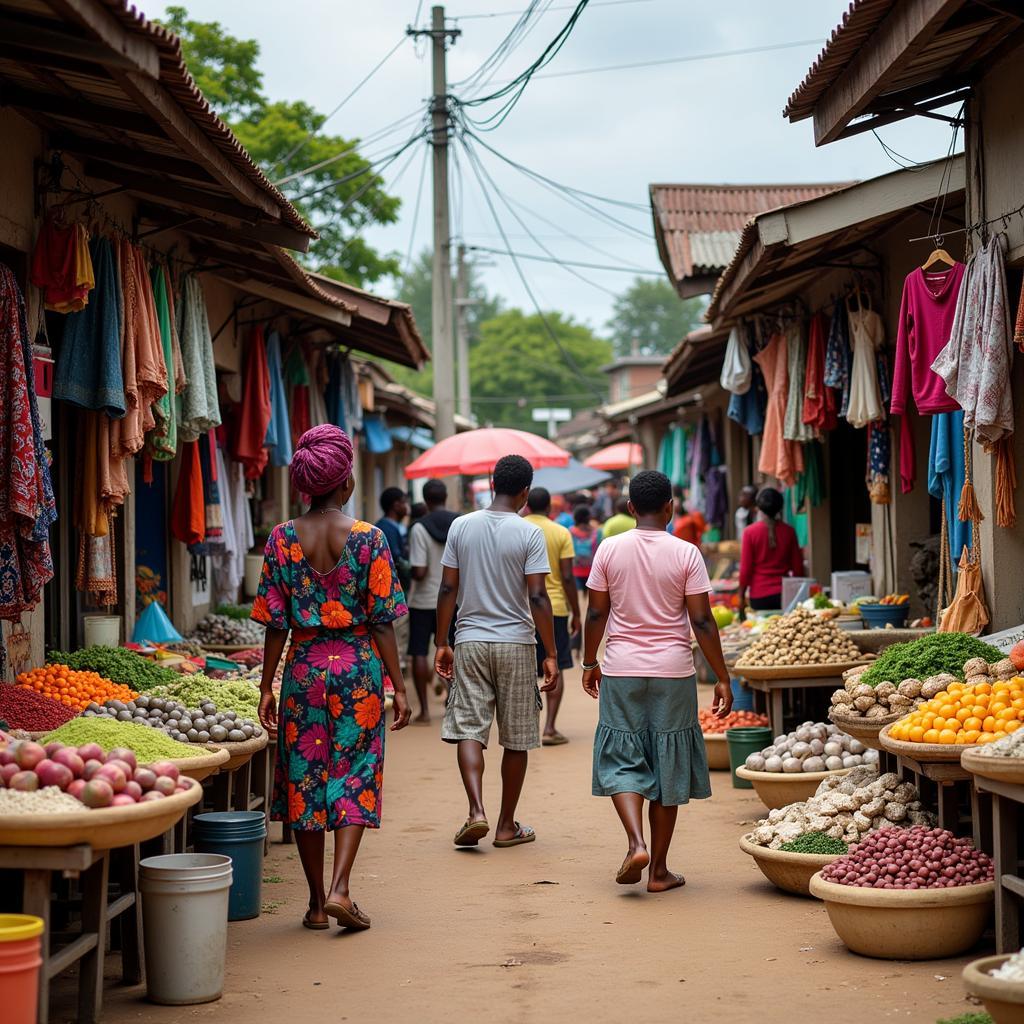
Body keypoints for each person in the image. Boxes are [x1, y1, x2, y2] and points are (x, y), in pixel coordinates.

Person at [254, 424, 411, 932]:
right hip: (358, 671)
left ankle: (318, 903)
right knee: (355, 772)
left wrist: (266, 686)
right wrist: (399, 686)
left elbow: (276, 622)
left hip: (303, 670)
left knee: (305, 781)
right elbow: (383, 621)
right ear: (345, 481)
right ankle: (343, 885)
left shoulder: (280, 539)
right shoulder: (370, 539)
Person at [581, 470, 732, 891]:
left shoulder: (609, 549)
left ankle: (634, 842)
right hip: (673, 671)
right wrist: (722, 676)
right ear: (671, 507)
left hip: (621, 668)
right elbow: (702, 620)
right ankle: (659, 872)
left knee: (622, 758)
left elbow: (596, 613)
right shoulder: (687, 553)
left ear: (630, 508)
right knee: (668, 766)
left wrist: (589, 661)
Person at [434, 454, 558, 849]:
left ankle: (476, 810)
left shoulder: (461, 526)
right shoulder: (529, 533)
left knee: (469, 728)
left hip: (469, 639)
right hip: (517, 643)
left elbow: (447, 589)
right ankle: (506, 825)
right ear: (525, 492)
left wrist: (442, 641)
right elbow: (538, 595)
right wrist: (550, 652)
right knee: (517, 737)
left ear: (492, 484)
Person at [525, 487, 581, 746]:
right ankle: (549, 727)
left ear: (526, 505)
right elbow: (568, 577)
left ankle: (525, 728)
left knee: (526, 671)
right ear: (549, 507)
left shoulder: (518, 527)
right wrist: (576, 612)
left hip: (522, 610)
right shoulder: (560, 532)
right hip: (555, 609)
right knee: (553, 668)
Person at [407, 478, 457, 723]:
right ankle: (454, 700)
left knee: (418, 652)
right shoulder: (460, 524)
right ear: (445, 496)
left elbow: (419, 571)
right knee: (456, 649)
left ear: (425, 500)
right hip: (454, 600)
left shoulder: (418, 528)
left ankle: (425, 711)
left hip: (423, 601)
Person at [738, 486, 805, 616]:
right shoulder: (789, 531)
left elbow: (745, 570)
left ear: (758, 507)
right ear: (780, 507)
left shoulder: (750, 532)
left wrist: (741, 596)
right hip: (784, 596)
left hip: (759, 596)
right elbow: (798, 569)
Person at [569, 504, 601, 591]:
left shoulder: (569, 532)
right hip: (593, 570)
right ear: (588, 517)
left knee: (579, 597)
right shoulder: (597, 532)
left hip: (575, 570)